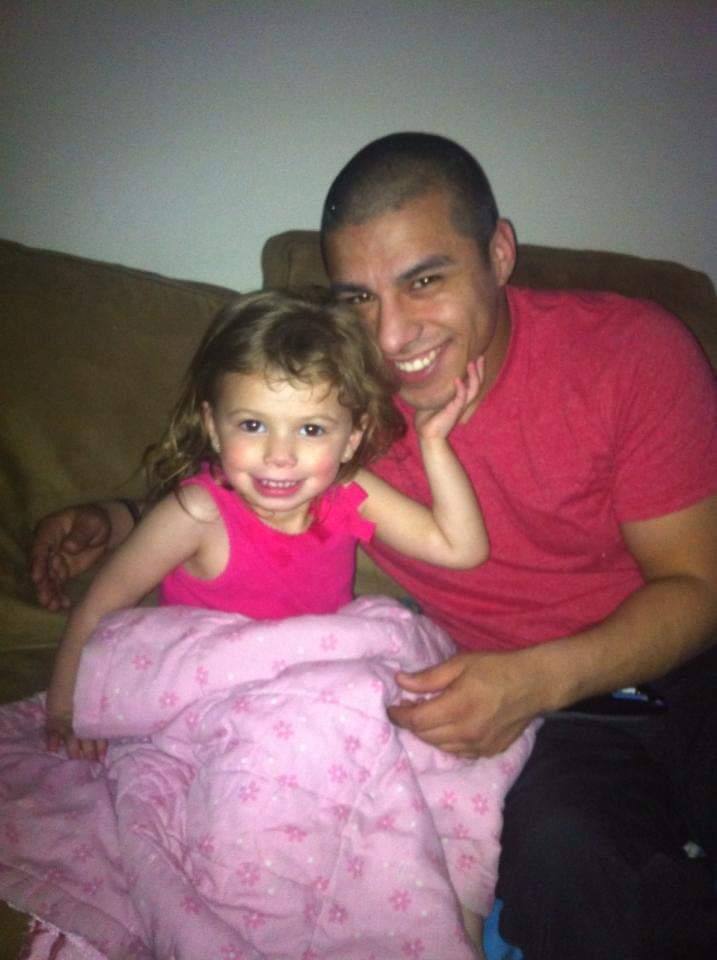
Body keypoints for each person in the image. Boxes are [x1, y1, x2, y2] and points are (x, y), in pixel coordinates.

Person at [31, 133, 717, 959]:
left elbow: (697, 586)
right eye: (358, 297)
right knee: (574, 878)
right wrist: (116, 518)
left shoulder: (627, 352)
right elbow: (255, 486)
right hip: (557, 731)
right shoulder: (343, 402)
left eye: (424, 280)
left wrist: (537, 677)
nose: (391, 336)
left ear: (499, 253)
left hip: (672, 667)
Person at [45, 287, 487, 764]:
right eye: (253, 425)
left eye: (311, 429)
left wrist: (434, 442)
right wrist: (65, 708)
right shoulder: (197, 513)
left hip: (311, 693)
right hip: (212, 703)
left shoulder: (346, 491)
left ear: (350, 438)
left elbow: (459, 548)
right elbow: (102, 604)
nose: (280, 455)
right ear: (213, 426)